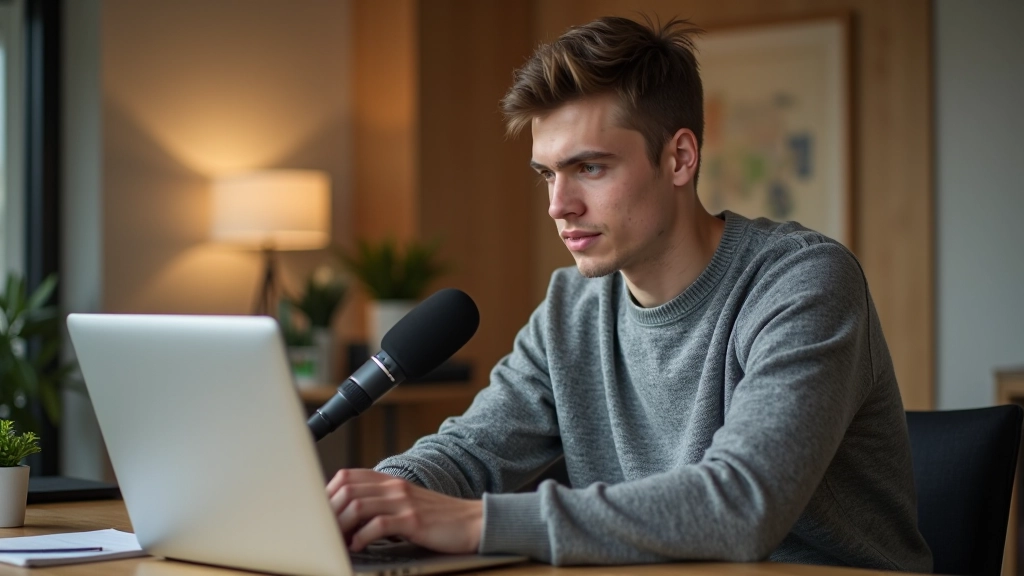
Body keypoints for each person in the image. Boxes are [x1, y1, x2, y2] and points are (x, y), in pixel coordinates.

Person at [326, 16, 932, 572]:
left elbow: (744, 503)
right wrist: (377, 500)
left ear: (680, 158)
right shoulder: (571, 309)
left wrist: (476, 522)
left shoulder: (802, 282)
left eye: (589, 168)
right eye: (547, 173)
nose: (558, 205)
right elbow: (470, 452)